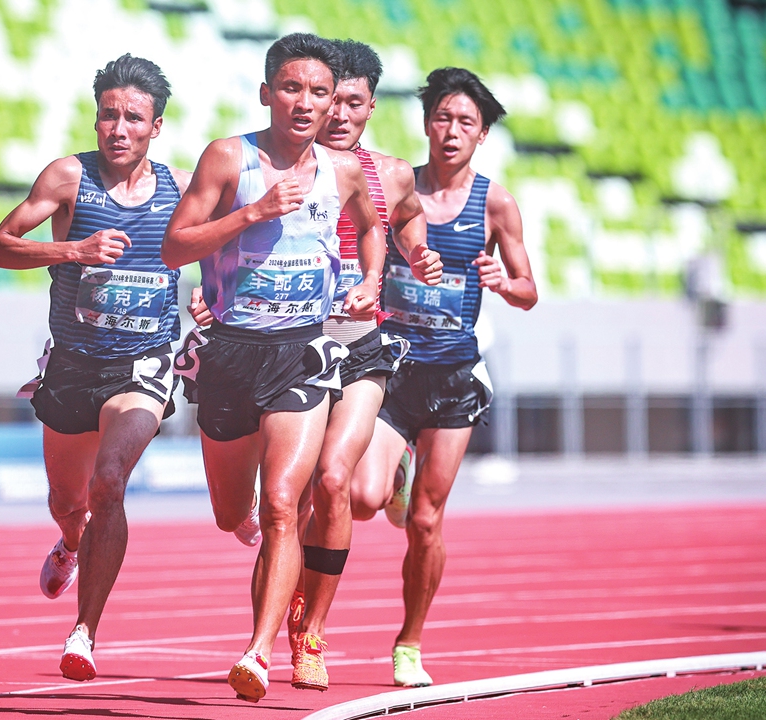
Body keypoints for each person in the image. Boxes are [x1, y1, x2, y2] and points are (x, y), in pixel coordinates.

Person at [187, 39, 442, 693]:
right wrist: (218, 286)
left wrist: (395, 269)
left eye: (351, 102)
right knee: (279, 503)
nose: (337, 114)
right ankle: (272, 635)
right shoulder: (273, 161)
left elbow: (402, 221)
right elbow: (209, 238)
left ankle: (305, 636)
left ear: (368, 106)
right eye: (331, 101)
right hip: (276, 339)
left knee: (331, 485)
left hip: (351, 343)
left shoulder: (384, 172)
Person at [162, 33, 385, 703]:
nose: (305, 102)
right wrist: (253, 213)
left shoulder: (344, 171)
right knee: (233, 512)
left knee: (285, 504)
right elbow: (175, 247)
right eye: (291, 88)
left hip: (302, 352)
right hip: (231, 353)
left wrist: (370, 281)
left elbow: (373, 226)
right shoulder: (228, 158)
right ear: (266, 93)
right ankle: (246, 530)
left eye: (319, 92)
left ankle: (259, 652)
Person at [0, 54, 190, 683]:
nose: (119, 128)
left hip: (143, 366)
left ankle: (84, 632)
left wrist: (214, 296)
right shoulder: (68, 178)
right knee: (68, 502)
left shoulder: (183, 188)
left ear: (156, 126)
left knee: (109, 482)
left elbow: (222, 248)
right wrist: (73, 248)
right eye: (108, 115)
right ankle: (71, 543)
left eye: (134, 118)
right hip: (73, 367)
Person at [349, 66, 538, 688]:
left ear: (482, 135)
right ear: (426, 124)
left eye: (466, 123)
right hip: (393, 369)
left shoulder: (495, 203)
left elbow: (529, 290)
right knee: (362, 499)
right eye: (442, 118)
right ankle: (395, 470)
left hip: (454, 377)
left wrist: (503, 282)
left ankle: (409, 642)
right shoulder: (393, 186)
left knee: (426, 521)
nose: (452, 131)